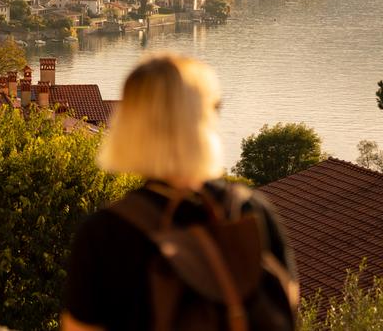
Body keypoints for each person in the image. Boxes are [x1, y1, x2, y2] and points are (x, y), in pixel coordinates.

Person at [61, 54, 298, 331]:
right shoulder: (251, 210)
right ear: (204, 120)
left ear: (129, 126)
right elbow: (288, 307)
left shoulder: (105, 232)